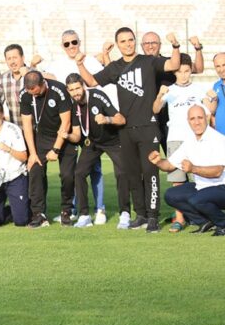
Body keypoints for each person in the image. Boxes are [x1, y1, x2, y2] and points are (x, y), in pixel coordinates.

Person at [76, 28, 181, 233]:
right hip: (125, 129)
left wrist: (175, 45)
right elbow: (91, 82)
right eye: (123, 41)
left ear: (135, 41)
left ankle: (152, 217)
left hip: (148, 126)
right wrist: (79, 64)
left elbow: (174, 64)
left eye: (131, 40)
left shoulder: (148, 61)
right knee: (132, 174)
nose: (128, 44)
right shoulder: (115, 67)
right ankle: (140, 214)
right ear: (118, 44)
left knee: (150, 173)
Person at [45, 30, 117, 224]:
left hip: (90, 122)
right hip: (69, 121)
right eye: (66, 43)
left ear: (79, 41)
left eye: (74, 42)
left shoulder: (90, 61)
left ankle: (100, 209)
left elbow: (104, 80)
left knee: (95, 169)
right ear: (62, 46)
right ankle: (73, 209)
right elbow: (46, 81)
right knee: (73, 170)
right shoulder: (56, 64)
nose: (71, 46)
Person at [152, 53, 210, 232]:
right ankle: (180, 218)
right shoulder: (169, 90)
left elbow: (208, 113)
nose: (183, 75)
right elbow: (155, 109)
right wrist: (160, 96)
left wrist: (212, 99)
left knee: (200, 179)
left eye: (186, 71)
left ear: (191, 70)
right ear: (174, 73)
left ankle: (203, 216)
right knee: (177, 182)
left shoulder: (199, 89)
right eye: (180, 71)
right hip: (175, 139)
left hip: (195, 140)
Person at [64, 74, 130, 229]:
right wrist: (66, 135)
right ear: (68, 91)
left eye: (78, 88)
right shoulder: (72, 104)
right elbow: (77, 134)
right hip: (91, 142)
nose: (76, 93)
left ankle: (125, 213)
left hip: (112, 141)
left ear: (83, 86)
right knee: (79, 173)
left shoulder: (98, 96)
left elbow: (121, 119)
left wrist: (107, 119)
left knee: (122, 173)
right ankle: (84, 215)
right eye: (72, 90)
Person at [149, 104, 225, 236]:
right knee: (171, 195)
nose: (196, 122)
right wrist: (158, 161)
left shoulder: (218, 140)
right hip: (202, 187)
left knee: (197, 199)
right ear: (188, 121)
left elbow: (218, 171)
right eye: (192, 119)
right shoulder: (190, 141)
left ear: (206, 118)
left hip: (221, 186)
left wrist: (193, 169)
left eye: (200, 118)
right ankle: (204, 221)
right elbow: (170, 165)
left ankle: (223, 223)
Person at [19, 71, 74, 228]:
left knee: (68, 175)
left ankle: (66, 211)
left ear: (43, 84)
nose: (33, 96)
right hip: (41, 137)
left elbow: (66, 122)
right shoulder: (25, 95)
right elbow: (27, 125)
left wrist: (56, 150)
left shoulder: (59, 90)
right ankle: (39, 214)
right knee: (35, 170)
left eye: (36, 92)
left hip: (63, 136)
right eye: (31, 93)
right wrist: (33, 153)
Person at [140, 32, 204, 156]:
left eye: (154, 43)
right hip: (144, 120)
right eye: (147, 43)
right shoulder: (136, 65)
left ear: (160, 45)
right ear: (142, 46)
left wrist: (197, 48)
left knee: (176, 162)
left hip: (167, 119)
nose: (150, 46)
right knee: (147, 162)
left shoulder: (171, 63)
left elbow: (198, 69)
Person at [0, 101, 29, 226]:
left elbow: (24, 157)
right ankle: (11, 208)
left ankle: (24, 204)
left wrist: (9, 149)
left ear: (2, 114)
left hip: (15, 177)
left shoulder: (13, 129)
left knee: (21, 221)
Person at [0, 44, 40, 127]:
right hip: (16, 130)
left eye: (15, 58)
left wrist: (27, 75)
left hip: (36, 128)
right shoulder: (3, 78)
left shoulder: (34, 74)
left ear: (23, 58)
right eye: (9, 59)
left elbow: (40, 96)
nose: (12, 62)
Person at [207, 53, 225, 136]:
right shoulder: (216, 85)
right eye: (218, 66)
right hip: (220, 135)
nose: (221, 69)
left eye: (224, 65)